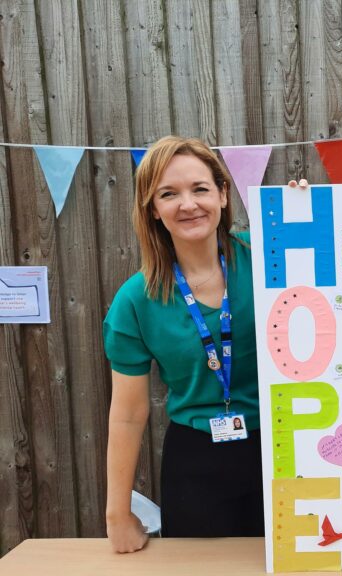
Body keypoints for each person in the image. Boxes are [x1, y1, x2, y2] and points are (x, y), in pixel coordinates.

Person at [103, 136, 263, 552]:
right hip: (196, 465)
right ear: (153, 209)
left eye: (200, 188)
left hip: (283, 451)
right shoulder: (135, 301)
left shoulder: (271, 259)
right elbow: (128, 414)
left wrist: (308, 210)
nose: (188, 204)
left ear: (223, 194)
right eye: (169, 194)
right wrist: (117, 513)